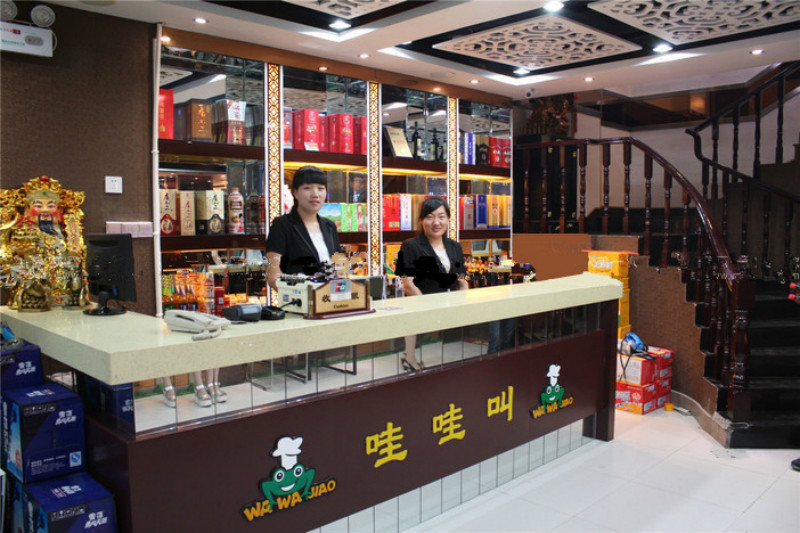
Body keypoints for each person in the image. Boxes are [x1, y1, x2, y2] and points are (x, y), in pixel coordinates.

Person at [395, 196, 468, 371]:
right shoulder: (410, 246)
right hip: (421, 304)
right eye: (430, 217)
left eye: (441, 217)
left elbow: (461, 278)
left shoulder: (455, 246)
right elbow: (408, 283)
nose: (436, 222)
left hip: (448, 305)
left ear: (448, 219)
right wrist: (426, 305)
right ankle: (410, 357)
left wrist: (464, 299)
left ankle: (409, 356)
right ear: (421, 220)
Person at [266, 166, 341, 289]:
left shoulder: (330, 226)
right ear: (295, 193)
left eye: (320, 188)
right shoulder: (282, 225)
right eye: (307, 188)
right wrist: (303, 293)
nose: (315, 194)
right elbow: (274, 277)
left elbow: (337, 269)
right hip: (297, 299)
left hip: (329, 298)